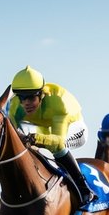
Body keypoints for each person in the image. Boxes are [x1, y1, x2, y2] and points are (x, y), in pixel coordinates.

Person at [8, 66, 94, 207]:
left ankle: (84, 188)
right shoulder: (15, 106)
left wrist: (37, 139)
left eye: (30, 97)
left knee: (58, 148)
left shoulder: (58, 103)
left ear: (41, 94)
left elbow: (58, 141)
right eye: (21, 98)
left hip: (73, 127)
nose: (26, 103)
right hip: (46, 126)